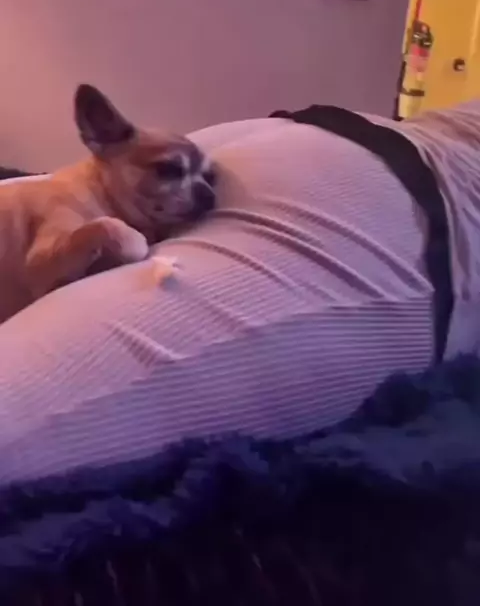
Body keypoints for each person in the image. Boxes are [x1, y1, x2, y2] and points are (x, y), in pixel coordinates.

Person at [0, 102, 476, 485]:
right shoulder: (71, 198)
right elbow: (46, 269)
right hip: (406, 187)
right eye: (168, 172)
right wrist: (112, 236)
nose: (200, 193)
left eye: (204, 180)